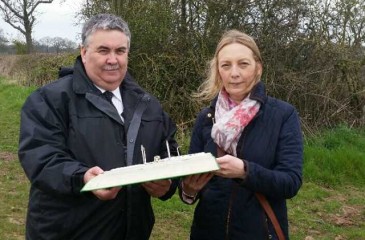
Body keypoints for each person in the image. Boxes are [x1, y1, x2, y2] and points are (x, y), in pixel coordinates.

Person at [18, 13, 179, 240]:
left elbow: (170, 150)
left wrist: (168, 185)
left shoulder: (147, 104)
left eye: (120, 51)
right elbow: (40, 157)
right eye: (103, 50)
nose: (112, 59)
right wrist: (82, 177)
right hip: (68, 231)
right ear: (84, 53)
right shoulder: (49, 99)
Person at [179, 30, 303, 239]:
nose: (234, 73)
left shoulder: (283, 115)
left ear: (258, 69)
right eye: (226, 65)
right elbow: (188, 190)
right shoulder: (206, 118)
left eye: (243, 64)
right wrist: (188, 190)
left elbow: (290, 182)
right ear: (218, 71)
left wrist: (245, 171)